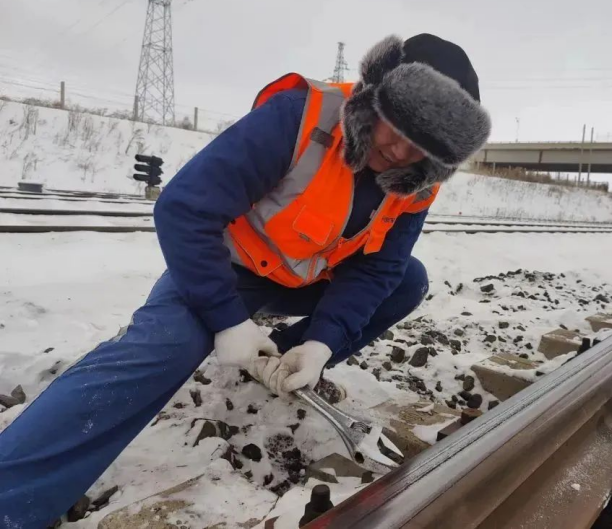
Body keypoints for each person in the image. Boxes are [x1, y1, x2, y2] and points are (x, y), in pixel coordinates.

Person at [0, 33, 491, 526]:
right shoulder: (299, 118)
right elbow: (185, 208)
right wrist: (226, 318)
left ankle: (280, 363)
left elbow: (379, 266)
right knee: (160, 348)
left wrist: (323, 341)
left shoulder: (416, 180)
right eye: (398, 124)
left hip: (309, 276)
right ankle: (12, 499)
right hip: (224, 268)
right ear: (375, 95)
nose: (401, 149)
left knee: (408, 279)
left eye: (422, 143)